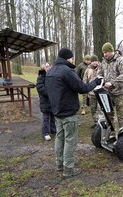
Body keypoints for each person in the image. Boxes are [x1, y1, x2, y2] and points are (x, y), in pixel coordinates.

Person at [46, 48, 102, 178]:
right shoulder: (67, 71)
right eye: (71, 58)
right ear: (68, 58)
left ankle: (60, 165)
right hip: (68, 113)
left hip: (57, 111)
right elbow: (82, 88)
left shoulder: (51, 71)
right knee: (70, 141)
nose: (72, 60)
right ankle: (68, 169)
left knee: (59, 138)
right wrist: (96, 82)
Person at [97, 42, 123, 130]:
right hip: (107, 93)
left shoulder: (120, 61)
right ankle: (111, 134)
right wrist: (99, 81)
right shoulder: (104, 61)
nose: (105, 54)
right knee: (108, 114)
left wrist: (112, 83)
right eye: (103, 52)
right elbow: (99, 73)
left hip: (119, 93)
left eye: (106, 52)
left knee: (121, 116)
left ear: (111, 51)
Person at [36, 62, 56, 141]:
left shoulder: (53, 75)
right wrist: (49, 93)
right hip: (45, 100)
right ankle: (46, 132)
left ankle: (53, 130)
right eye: (46, 66)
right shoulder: (41, 77)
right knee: (46, 118)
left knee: (53, 116)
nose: (48, 67)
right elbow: (40, 88)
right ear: (43, 67)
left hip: (53, 100)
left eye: (49, 66)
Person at [83, 55, 102, 128]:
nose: (95, 63)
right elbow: (85, 80)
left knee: (100, 109)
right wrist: (86, 89)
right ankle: (96, 122)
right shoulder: (88, 70)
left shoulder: (102, 68)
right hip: (91, 93)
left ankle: (101, 124)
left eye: (96, 61)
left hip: (100, 92)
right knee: (93, 108)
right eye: (93, 61)